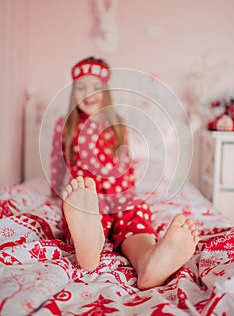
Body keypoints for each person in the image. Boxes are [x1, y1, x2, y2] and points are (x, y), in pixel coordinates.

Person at [51, 56, 199, 290]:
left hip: (120, 192)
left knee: (134, 216)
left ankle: (147, 261)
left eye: (95, 87)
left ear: (105, 91)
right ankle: (90, 241)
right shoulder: (65, 124)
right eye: (81, 87)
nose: (87, 93)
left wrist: (130, 188)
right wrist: (57, 189)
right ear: (73, 91)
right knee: (80, 207)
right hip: (86, 193)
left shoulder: (117, 122)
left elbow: (126, 163)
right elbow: (58, 162)